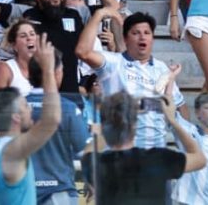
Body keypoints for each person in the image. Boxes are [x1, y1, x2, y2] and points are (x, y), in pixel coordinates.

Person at [77, 8, 186, 148]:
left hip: (154, 151)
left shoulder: (162, 69)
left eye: (147, 33)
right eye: (136, 33)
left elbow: (178, 107)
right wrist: (99, 14)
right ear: (125, 39)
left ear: (152, 38)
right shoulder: (113, 62)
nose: (142, 37)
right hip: (119, 151)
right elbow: (82, 51)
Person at [82, 86, 207, 205]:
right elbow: (200, 159)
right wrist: (173, 120)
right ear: (134, 124)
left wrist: (112, 119)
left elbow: (87, 153)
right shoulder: (158, 159)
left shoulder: (95, 164)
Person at [0, 35, 63, 205]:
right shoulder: (12, 150)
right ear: (15, 117)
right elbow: (52, 120)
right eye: (25, 106)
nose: (30, 109)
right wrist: (47, 70)